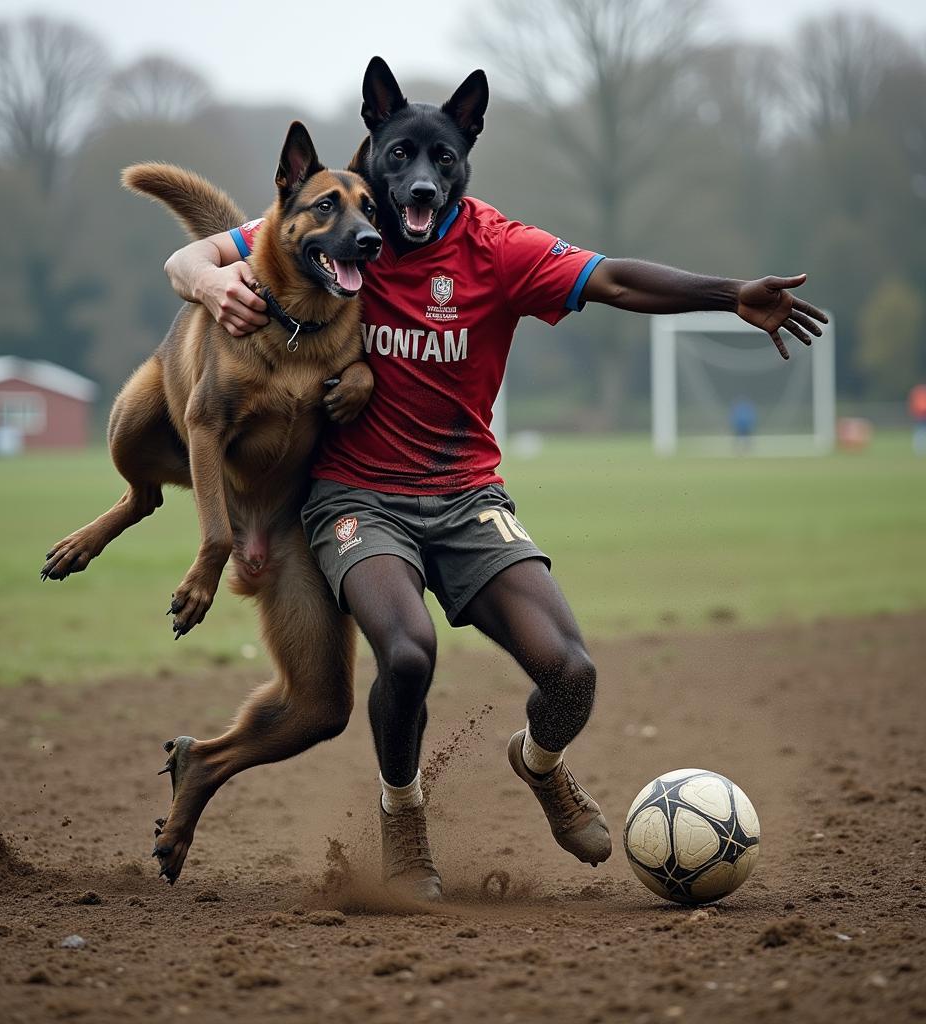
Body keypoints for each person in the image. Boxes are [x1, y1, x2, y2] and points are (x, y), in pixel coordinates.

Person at [163, 59, 827, 901]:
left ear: (464, 160)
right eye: (401, 158)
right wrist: (216, 282)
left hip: (469, 497)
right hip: (356, 499)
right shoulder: (331, 228)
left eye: (441, 163)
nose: (420, 182)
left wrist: (730, 292)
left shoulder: (497, 248)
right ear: (372, 147)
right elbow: (191, 258)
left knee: (572, 673)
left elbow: (613, 277)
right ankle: (402, 811)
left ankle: (539, 762)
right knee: (406, 655)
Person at [909, 384, 926, 455]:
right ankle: (919, 449)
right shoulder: (918, 395)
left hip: (922, 416)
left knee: (920, 432)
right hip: (920, 416)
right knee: (919, 432)